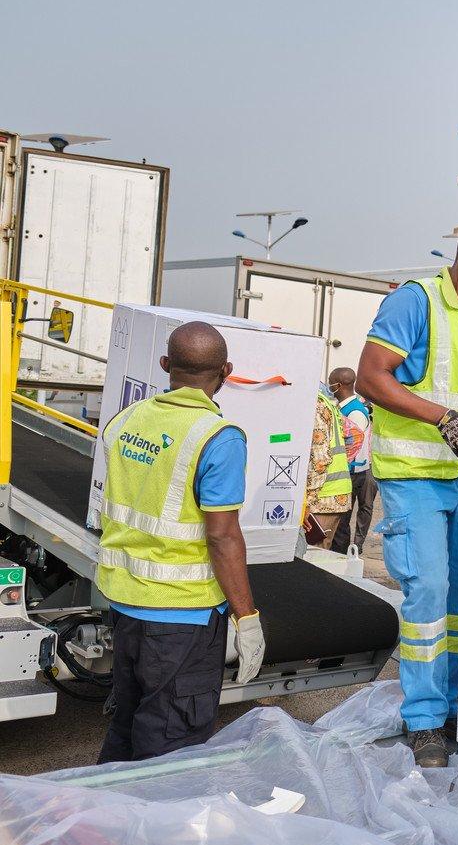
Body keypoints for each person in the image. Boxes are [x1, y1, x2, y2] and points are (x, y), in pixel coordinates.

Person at [357, 217, 458, 768]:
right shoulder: (414, 302)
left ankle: (454, 706)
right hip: (415, 474)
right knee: (426, 592)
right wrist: (444, 416)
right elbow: (371, 378)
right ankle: (424, 719)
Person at [97, 321, 265, 763]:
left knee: (127, 723)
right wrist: (247, 619)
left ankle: (103, 821)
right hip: (182, 617)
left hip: (124, 604)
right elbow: (223, 536)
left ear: (166, 365)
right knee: (170, 745)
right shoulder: (218, 438)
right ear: (226, 370)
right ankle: (157, 827)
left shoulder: (126, 419)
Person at [328, 367, 375, 554]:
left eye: (330, 383)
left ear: (338, 385)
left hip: (354, 473)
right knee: (340, 520)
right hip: (347, 471)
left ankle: (347, 553)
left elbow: (352, 446)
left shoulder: (355, 411)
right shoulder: (341, 407)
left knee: (344, 521)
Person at [306, 384, 352, 548]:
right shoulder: (326, 402)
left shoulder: (316, 405)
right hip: (332, 492)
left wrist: (308, 502)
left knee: (313, 556)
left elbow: (320, 459)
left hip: (324, 496)